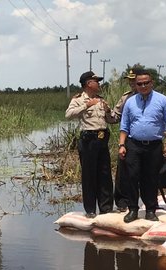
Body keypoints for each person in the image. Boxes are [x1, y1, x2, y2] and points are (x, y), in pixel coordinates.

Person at [118, 69, 166, 223]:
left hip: (154, 146)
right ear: (135, 85)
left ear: (152, 83)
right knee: (131, 177)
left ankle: (150, 210)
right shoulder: (130, 102)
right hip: (133, 145)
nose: (143, 86)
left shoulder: (163, 100)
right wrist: (122, 144)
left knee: (150, 178)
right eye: (139, 84)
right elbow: (124, 126)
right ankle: (133, 209)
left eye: (146, 83)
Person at [65, 71, 117, 218]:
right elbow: (68, 115)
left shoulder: (101, 99)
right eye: (96, 81)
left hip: (102, 139)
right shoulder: (78, 99)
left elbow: (111, 120)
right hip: (89, 139)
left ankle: (106, 208)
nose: (99, 84)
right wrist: (87, 105)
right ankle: (90, 210)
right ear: (88, 83)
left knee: (105, 174)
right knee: (89, 175)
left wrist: (108, 111)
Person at [111, 68, 139, 212]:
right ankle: (122, 202)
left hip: (145, 139)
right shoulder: (126, 98)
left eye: (134, 79)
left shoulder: (152, 97)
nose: (132, 83)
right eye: (130, 80)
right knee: (123, 171)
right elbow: (115, 116)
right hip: (127, 139)